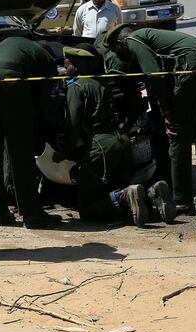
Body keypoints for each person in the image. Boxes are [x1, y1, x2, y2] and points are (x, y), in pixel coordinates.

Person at [104, 26, 196, 215]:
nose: (119, 57)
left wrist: (168, 113)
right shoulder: (151, 37)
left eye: (116, 51)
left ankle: (181, 200)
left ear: (120, 43)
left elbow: (154, 75)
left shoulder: (133, 41)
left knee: (177, 135)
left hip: (193, 66)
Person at [60, 45, 176, 226]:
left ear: (78, 64)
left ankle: (124, 197)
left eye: (67, 65)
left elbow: (73, 124)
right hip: (122, 141)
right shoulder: (103, 83)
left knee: (88, 208)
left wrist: (64, 151)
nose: (65, 68)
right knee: (119, 187)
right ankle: (153, 195)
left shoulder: (77, 87)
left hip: (99, 146)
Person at [0, 36, 62, 229]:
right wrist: (53, 129)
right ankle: (32, 214)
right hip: (11, 85)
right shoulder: (46, 58)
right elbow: (46, 101)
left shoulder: (7, 44)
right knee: (20, 152)